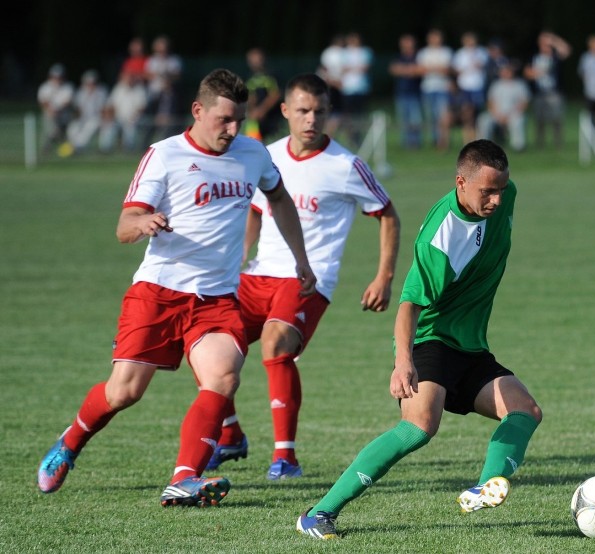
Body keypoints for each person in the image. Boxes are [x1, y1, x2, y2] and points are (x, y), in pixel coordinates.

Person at [36, 68, 316, 508]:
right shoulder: (163, 155)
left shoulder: (253, 154)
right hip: (159, 292)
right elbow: (123, 226)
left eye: (239, 120)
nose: (233, 129)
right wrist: (143, 222)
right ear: (197, 111)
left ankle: (184, 477)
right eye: (224, 119)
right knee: (124, 391)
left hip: (218, 298)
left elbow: (278, 198)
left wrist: (301, 259)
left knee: (223, 376)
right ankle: (69, 442)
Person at [296, 138, 542, 540]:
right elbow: (409, 305)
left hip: (471, 346)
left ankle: (485, 487)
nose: (497, 200)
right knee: (419, 426)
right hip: (429, 340)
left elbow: (498, 192)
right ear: (460, 182)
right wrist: (403, 361)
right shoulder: (441, 239)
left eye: (501, 189)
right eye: (487, 192)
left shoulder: (505, 193)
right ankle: (319, 513)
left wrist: (498, 189)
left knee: (525, 410)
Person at [205, 73, 401, 481]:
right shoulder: (266, 155)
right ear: (285, 111)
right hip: (259, 276)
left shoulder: (346, 165)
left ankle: (285, 459)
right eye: (303, 111)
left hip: (308, 279)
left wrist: (383, 277)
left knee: (276, 346)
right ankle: (229, 434)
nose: (312, 120)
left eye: (320, 112)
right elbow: (258, 211)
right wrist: (242, 258)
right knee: (206, 342)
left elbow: (387, 214)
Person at [523, 30, 571, 148]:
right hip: (540, 92)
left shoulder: (555, 57)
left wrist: (554, 39)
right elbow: (526, 73)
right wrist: (537, 73)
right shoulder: (534, 57)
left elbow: (567, 50)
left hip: (554, 92)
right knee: (540, 119)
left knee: (557, 118)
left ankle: (558, 143)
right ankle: (540, 143)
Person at [476, 61, 530, 152]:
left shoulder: (520, 85)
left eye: (508, 71)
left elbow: (524, 102)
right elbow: (490, 101)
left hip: (514, 113)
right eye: (503, 71)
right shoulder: (496, 85)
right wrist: (496, 114)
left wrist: (509, 115)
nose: (505, 73)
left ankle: (518, 146)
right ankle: (483, 146)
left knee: (517, 121)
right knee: (483, 119)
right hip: (497, 113)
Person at [416, 28, 454, 148]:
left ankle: (443, 142)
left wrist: (431, 69)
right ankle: (435, 139)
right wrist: (437, 69)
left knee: (443, 116)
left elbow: (447, 70)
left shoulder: (446, 52)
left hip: (442, 88)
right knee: (430, 116)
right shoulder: (423, 53)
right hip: (428, 88)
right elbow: (420, 70)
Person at [143, 35, 183, 144]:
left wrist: (168, 78)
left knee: (168, 122)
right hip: (154, 95)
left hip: (168, 96)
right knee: (151, 121)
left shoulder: (174, 60)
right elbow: (146, 75)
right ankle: (146, 144)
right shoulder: (152, 60)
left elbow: (177, 76)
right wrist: (157, 75)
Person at [452, 31, 489, 143]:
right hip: (465, 87)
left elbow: (483, 65)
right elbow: (456, 70)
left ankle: (479, 138)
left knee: (478, 113)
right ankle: (467, 139)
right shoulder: (460, 54)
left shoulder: (482, 52)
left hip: (478, 87)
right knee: (467, 113)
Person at [99, 69, 149, 153]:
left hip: (134, 118)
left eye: (130, 78)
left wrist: (133, 117)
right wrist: (109, 117)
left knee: (130, 127)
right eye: (126, 78)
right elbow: (111, 104)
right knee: (108, 126)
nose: (128, 80)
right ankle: (105, 149)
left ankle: (129, 149)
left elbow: (141, 107)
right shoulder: (119, 88)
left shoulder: (139, 89)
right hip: (118, 118)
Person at [389, 33, 423, 149]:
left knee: (415, 118)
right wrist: (410, 70)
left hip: (415, 92)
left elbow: (420, 70)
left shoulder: (418, 56)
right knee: (403, 118)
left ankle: (415, 142)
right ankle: (406, 142)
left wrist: (403, 70)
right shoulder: (398, 57)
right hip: (401, 92)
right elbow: (394, 69)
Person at [339, 31, 373, 146]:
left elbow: (365, 68)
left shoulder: (365, 52)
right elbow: (343, 68)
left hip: (361, 88)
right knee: (349, 116)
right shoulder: (344, 53)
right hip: (348, 89)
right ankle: (351, 137)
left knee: (360, 114)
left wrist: (351, 68)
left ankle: (360, 137)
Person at [64, 69, 109, 155]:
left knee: (90, 126)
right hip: (83, 118)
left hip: (97, 118)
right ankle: (72, 146)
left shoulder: (101, 92)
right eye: (89, 83)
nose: (91, 85)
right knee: (73, 128)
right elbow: (78, 109)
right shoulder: (81, 93)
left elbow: (104, 108)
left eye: (93, 83)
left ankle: (77, 148)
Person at [244, 47, 281, 142]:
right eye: (252, 60)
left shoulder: (271, 75)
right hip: (255, 121)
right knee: (253, 144)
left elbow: (275, 95)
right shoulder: (250, 77)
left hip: (272, 119)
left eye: (257, 59)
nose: (255, 62)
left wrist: (261, 110)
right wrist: (251, 111)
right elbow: (251, 96)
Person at [37, 63, 75, 152]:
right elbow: (42, 101)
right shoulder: (45, 87)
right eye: (55, 77)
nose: (57, 79)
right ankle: (47, 148)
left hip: (64, 115)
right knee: (52, 131)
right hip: (49, 114)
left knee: (66, 133)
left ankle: (65, 148)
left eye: (59, 77)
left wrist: (57, 110)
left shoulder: (68, 87)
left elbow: (67, 101)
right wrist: (50, 110)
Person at [318, 34, 346, 137]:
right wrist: (333, 81)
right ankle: (328, 135)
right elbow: (325, 68)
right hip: (332, 86)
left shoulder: (340, 52)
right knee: (334, 113)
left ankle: (329, 135)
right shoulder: (331, 53)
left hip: (336, 86)